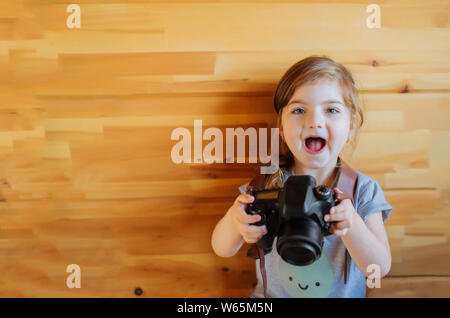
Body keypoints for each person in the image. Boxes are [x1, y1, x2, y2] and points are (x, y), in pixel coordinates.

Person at [211, 55, 393, 298]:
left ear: (350, 126)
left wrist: (352, 227)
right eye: (299, 110)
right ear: (282, 129)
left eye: (331, 110)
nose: (314, 121)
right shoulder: (263, 188)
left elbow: (377, 269)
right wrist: (237, 222)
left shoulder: (362, 190)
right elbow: (221, 249)